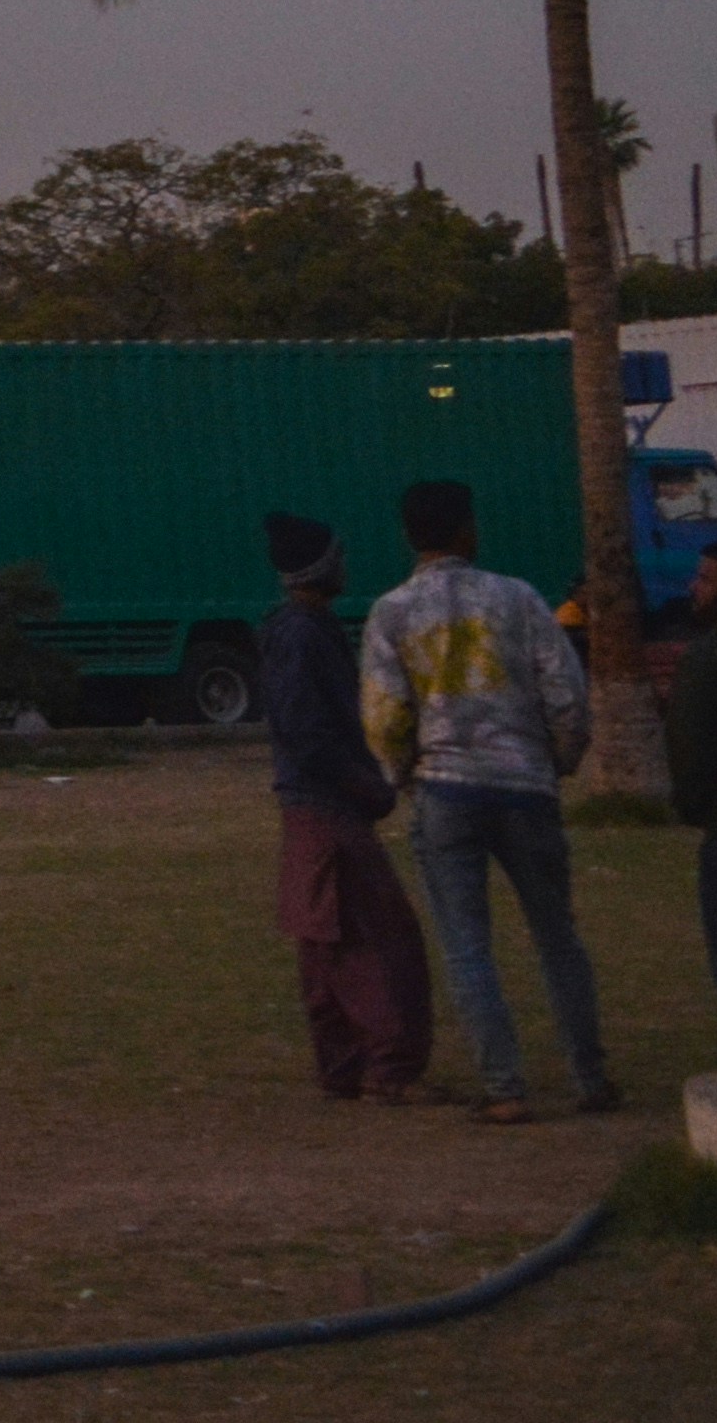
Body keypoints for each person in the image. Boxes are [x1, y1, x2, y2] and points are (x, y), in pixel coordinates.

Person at [358, 474, 612, 1122]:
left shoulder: (391, 612)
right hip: (525, 785)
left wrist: (404, 773)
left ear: (409, 535)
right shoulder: (518, 598)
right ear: (468, 530)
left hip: (445, 790)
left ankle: (505, 1088)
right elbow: (567, 696)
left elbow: (386, 716)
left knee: (468, 946)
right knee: (557, 936)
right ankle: (590, 1076)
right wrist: (557, 761)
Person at [248, 510, 430, 1102]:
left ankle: (343, 1065)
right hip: (329, 807)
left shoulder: (294, 630)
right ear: (321, 568)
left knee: (325, 940)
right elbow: (308, 732)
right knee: (374, 937)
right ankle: (389, 1068)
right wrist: (366, 786)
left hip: (311, 807)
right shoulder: (304, 635)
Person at [667, 540, 717, 1074]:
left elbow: (687, 749)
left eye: (708, 578)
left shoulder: (709, 658)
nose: (695, 588)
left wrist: (694, 808)